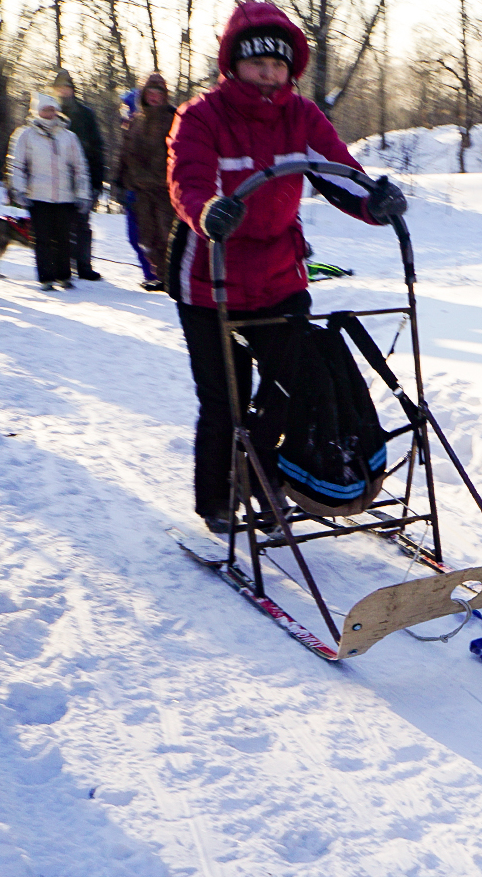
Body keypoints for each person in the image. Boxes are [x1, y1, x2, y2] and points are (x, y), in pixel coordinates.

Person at [168, 1, 406, 534]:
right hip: (212, 280)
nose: (269, 73)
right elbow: (188, 180)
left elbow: (338, 171)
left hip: (279, 276)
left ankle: (268, 487)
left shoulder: (300, 116)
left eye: (278, 64)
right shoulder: (201, 116)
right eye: (257, 63)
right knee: (223, 401)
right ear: (234, 65)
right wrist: (209, 211)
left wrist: (374, 202)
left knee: (286, 393)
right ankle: (218, 502)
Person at [6, 92, 89, 291]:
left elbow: (80, 167)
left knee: (63, 238)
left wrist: (82, 193)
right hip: (37, 195)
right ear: (37, 111)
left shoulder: (69, 137)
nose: (49, 113)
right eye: (44, 109)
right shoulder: (25, 135)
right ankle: (46, 277)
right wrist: (18, 189)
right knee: (42, 238)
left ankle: (64, 276)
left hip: (64, 196)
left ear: (57, 111)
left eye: (52, 109)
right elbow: (17, 165)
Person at [116, 71, 177, 291]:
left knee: (166, 236)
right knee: (144, 237)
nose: (154, 96)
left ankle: (170, 278)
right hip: (139, 190)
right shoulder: (136, 121)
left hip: (164, 190)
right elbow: (125, 152)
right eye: (150, 91)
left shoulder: (173, 119)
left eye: (159, 91)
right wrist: (120, 181)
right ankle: (158, 276)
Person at [48, 69, 103, 282]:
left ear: (72, 90)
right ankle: (61, 265)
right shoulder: (47, 112)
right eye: (60, 87)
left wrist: (97, 180)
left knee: (82, 224)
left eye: (67, 87)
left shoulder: (85, 114)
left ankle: (84, 265)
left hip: (83, 176)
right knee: (58, 225)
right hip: (55, 178)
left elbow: (97, 148)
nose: (64, 91)